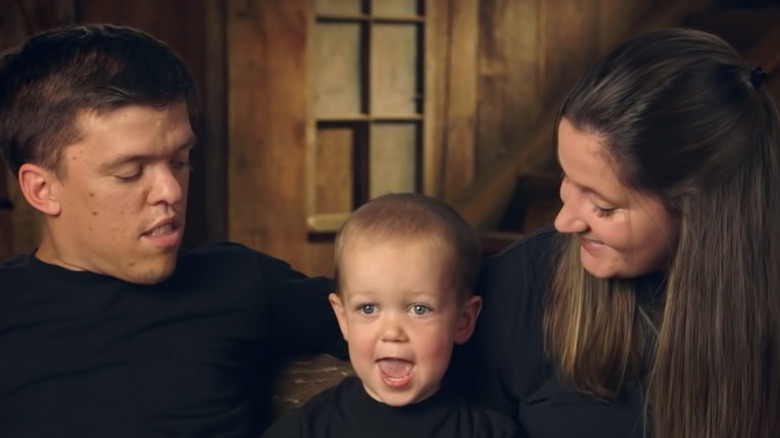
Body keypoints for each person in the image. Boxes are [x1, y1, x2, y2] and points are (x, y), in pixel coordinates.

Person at [0, 24, 345, 438]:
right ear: (42, 189)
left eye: (180, 161)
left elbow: (408, 316)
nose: (170, 191)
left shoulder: (239, 281)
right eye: (130, 172)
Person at [451, 27, 780, 438]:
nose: (563, 222)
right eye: (567, 180)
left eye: (603, 206)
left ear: (701, 211)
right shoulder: (522, 283)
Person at [262, 193, 521, 438]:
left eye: (419, 309)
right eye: (368, 308)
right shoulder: (304, 430)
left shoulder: (489, 432)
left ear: (463, 321)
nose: (392, 333)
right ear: (343, 319)